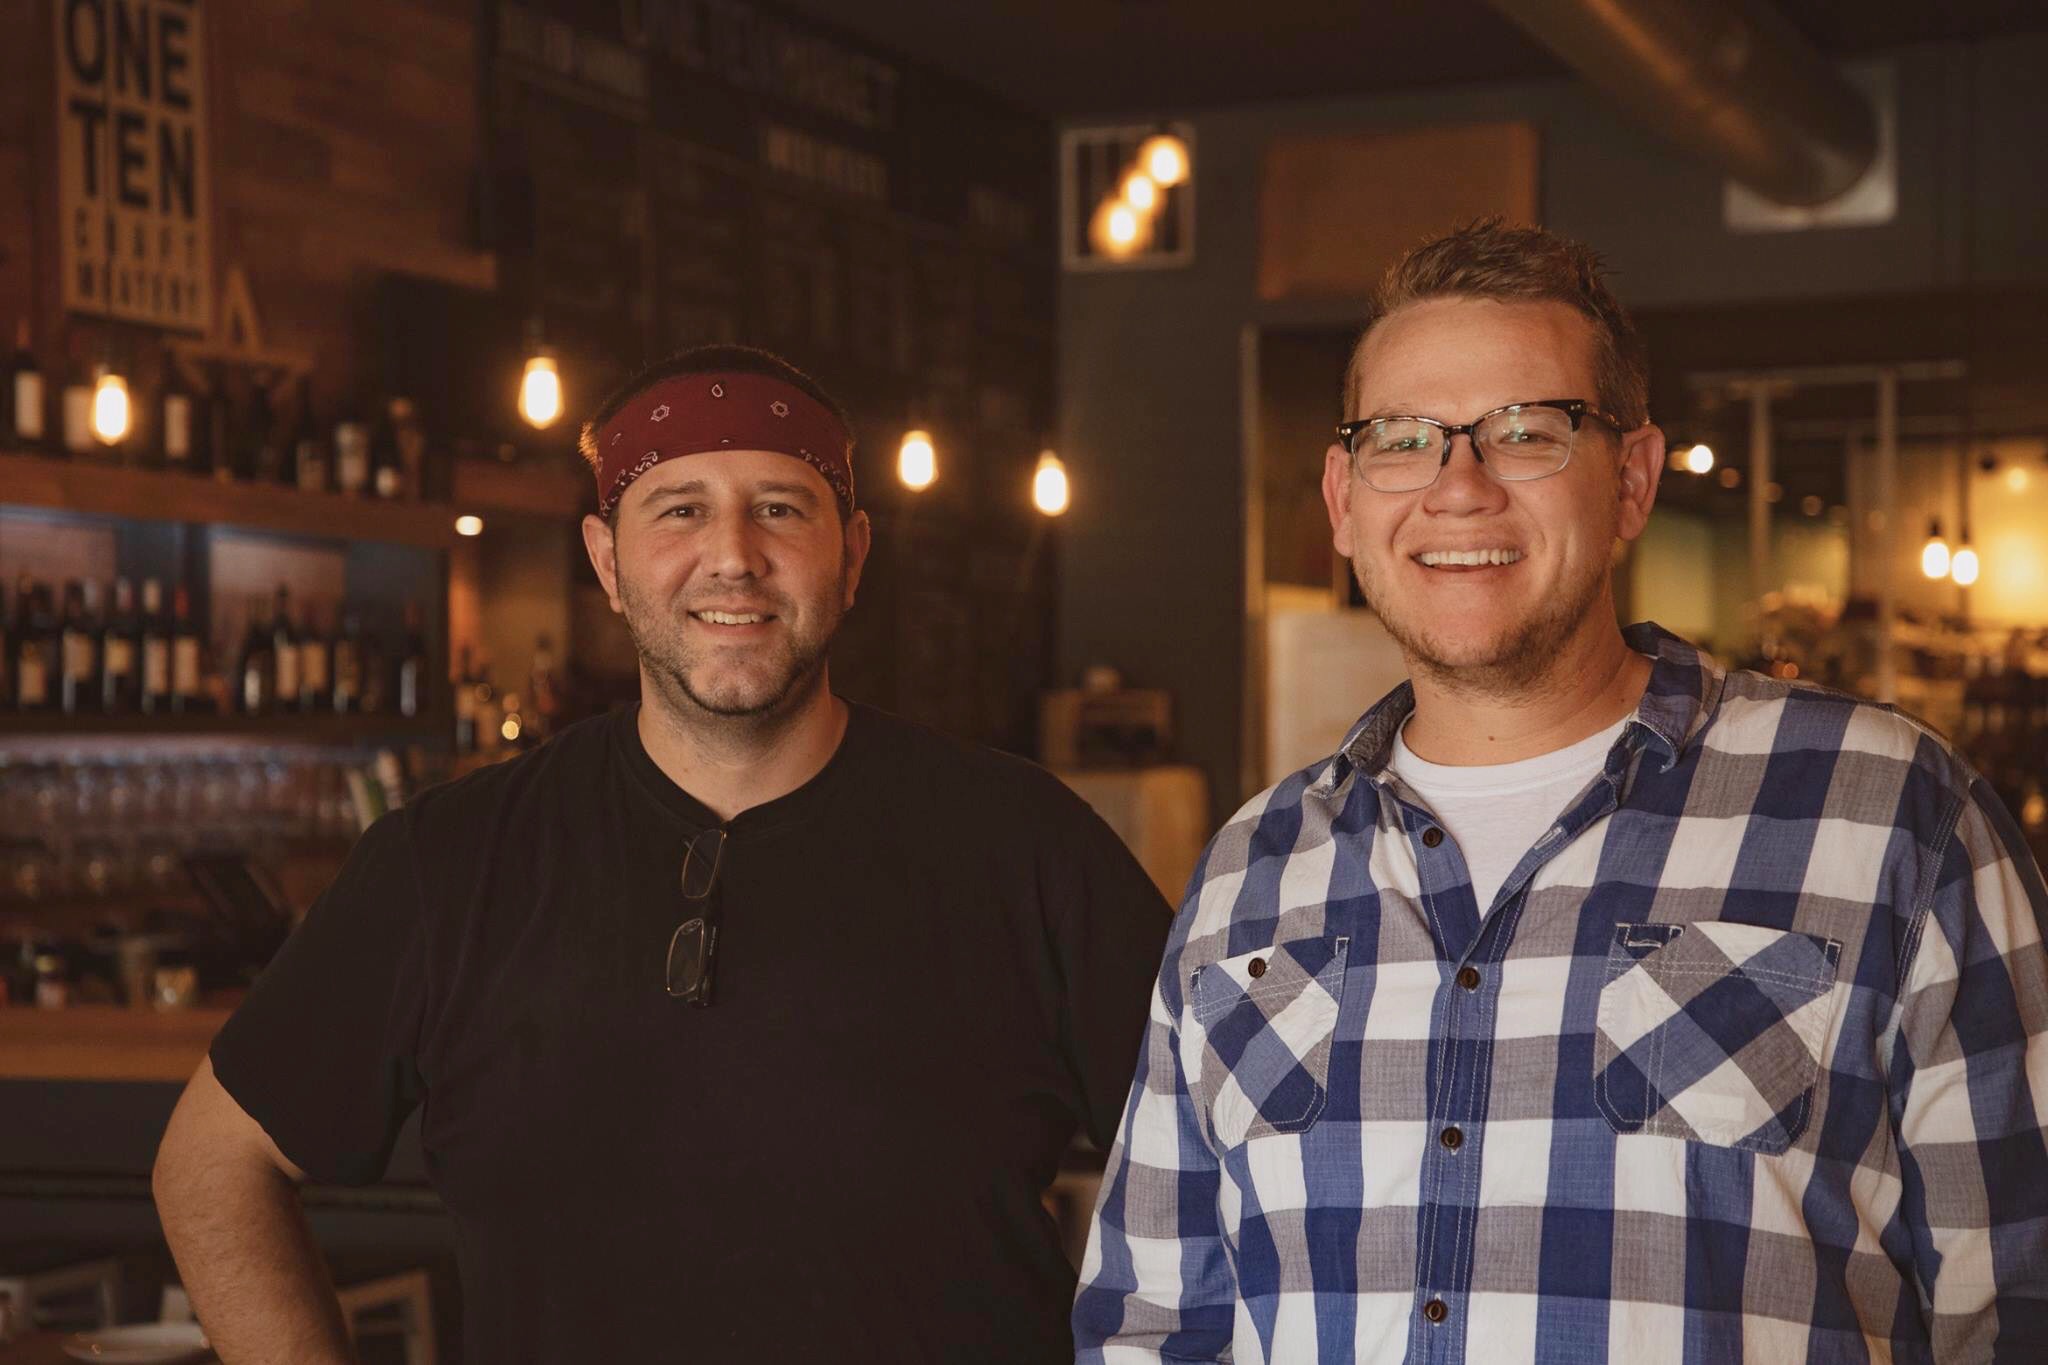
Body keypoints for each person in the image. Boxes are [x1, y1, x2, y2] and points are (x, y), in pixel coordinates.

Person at [1074, 220, 2048, 1362]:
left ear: (1630, 479)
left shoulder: (1890, 815)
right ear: (1342, 499)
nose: (1457, 489)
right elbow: (1153, 1320)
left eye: (1526, 432)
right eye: (1403, 439)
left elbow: (2018, 1300)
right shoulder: (1252, 868)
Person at [152, 344, 1170, 1363]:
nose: (732, 555)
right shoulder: (448, 864)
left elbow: (1231, 1171)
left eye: (780, 507)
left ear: (853, 555)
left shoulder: (1025, 847)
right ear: (605, 560)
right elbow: (211, 1164)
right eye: (678, 508)